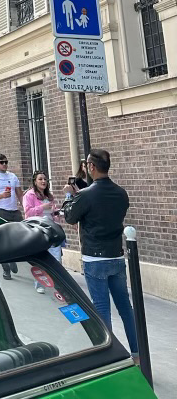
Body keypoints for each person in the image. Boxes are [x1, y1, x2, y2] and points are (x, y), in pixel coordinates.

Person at [62, 148, 139, 361]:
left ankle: (108, 355)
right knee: (126, 307)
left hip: (94, 257)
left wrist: (70, 195)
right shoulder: (121, 193)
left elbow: (69, 217)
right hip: (116, 255)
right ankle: (137, 353)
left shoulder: (86, 195)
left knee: (101, 308)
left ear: (91, 167)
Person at [23, 171, 62, 292]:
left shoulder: (49, 196)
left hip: (51, 228)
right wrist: (42, 208)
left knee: (56, 257)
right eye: (40, 179)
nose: (43, 181)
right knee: (41, 257)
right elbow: (28, 212)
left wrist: (57, 214)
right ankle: (39, 284)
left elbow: (53, 213)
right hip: (38, 229)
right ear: (35, 181)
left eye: (45, 179)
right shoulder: (29, 195)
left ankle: (58, 284)